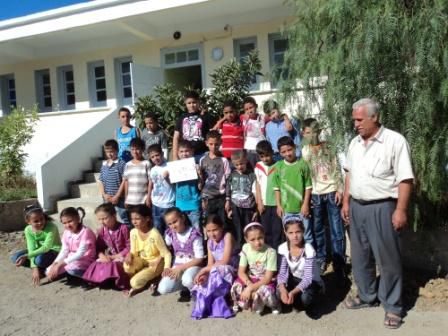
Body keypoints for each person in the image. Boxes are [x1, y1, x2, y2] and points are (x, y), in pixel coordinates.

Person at [341, 98, 414, 329]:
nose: (356, 124)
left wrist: (401, 209)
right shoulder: (354, 143)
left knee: (388, 259)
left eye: (360, 119)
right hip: (357, 206)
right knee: (361, 256)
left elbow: (405, 178)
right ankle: (366, 295)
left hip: (383, 206)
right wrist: (346, 202)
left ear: (374, 117)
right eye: (354, 120)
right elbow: (349, 175)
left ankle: (393, 306)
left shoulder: (394, 141)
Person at [301, 118, 346, 277]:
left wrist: (340, 189)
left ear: (318, 132)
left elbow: (337, 168)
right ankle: (321, 259)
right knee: (318, 228)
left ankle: (339, 262)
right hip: (315, 194)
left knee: (336, 229)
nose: (309, 135)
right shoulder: (305, 150)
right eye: (306, 133)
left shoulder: (328, 147)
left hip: (332, 191)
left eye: (312, 132)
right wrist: (306, 196)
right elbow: (305, 175)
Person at [191, 215, 239, 319]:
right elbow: (210, 264)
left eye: (215, 230)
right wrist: (204, 275)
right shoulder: (209, 242)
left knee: (217, 271)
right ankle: (206, 306)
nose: (212, 234)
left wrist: (203, 270)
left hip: (231, 268)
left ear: (222, 227)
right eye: (208, 231)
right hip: (216, 270)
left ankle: (218, 304)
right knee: (205, 278)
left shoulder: (227, 237)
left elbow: (225, 261)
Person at [230, 222, 280, 315]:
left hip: (264, 280)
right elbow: (241, 272)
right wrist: (249, 284)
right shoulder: (246, 248)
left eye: (260, 238)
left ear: (264, 236)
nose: (257, 242)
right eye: (252, 239)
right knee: (236, 287)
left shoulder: (270, 252)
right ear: (246, 240)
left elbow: (267, 278)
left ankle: (274, 304)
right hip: (251, 278)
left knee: (266, 292)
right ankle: (252, 300)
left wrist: (250, 289)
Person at [277, 216, 323, 314]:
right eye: (291, 233)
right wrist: (282, 288)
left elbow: (308, 278)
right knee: (278, 293)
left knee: (305, 299)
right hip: (295, 279)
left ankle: (313, 298)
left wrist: (293, 292)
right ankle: (296, 300)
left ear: (303, 231)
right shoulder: (283, 248)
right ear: (286, 233)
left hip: (311, 282)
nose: (295, 236)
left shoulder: (308, 250)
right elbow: (282, 273)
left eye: (298, 232)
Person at [123, 205, 172, 297]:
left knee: (134, 282)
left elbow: (166, 254)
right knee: (127, 265)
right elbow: (133, 251)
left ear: (147, 219)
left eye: (137, 218)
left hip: (155, 263)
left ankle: (153, 279)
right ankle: (144, 280)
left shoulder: (154, 234)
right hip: (143, 261)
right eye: (132, 219)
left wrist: (166, 268)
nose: (134, 221)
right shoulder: (133, 232)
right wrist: (129, 255)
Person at [157, 207, 204, 302]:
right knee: (163, 288)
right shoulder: (170, 234)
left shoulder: (194, 234)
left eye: (175, 221)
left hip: (193, 266)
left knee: (187, 279)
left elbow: (199, 258)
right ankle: (184, 287)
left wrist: (180, 268)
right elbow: (166, 249)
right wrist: (167, 267)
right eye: (169, 224)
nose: (173, 226)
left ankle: (199, 293)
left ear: (182, 218)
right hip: (177, 266)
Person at [273, 136, 313, 244]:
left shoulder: (303, 165)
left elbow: (308, 187)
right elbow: (276, 188)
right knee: (290, 236)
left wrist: (306, 204)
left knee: (306, 235)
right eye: (283, 152)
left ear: (295, 147)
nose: (287, 154)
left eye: (289, 150)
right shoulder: (278, 166)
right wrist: (278, 205)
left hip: (301, 209)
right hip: (286, 210)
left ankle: (309, 259)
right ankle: (293, 259)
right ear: (279, 153)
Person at [10, 204, 61, 286]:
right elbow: (31, 248)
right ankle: (41, 270)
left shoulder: (51, 227)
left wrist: (27, 256)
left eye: (42, 219)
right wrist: (34, 267)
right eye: (36, 221)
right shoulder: (28, 230)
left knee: (39, 260)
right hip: (38, 252)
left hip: (54, 251)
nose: (40, 222)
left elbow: (46, 248)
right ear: (28, 222)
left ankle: (47, 270)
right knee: (15, 258)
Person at [82, 203, 130, 289]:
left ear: (114, 215)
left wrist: (114, 256)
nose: (102, 222)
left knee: (112, 265)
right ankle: (101, 280)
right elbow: (99, 247)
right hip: (111, 256)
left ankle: (113, 280)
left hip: (123, 256)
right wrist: (102, 255)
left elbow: (129, 247)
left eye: (104, 218)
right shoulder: (102, 231)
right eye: (99, 219)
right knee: (96, 263)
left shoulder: (123, 228)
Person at [46, 207, 96, 280]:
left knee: (72, 270)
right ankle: (67, 274)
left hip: (85, 259)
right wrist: (55, 263)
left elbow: (80, 253)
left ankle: (90, 276)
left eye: (70, 221)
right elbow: (64, 250)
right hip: (71, 257)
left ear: (78, 218)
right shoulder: (67, 232)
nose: (68, 225)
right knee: (49, 270)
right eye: (64, 223)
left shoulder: (85, 232)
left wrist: (60, 264)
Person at [254, 140, 284, 250]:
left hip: (276, 204)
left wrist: (280, 204)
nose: (265, 159)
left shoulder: (279, 165)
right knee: (266, 231)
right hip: (264, 204)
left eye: (267, 155)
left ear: (272, 152)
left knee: (277, 231)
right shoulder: (258, 166)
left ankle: (277, 256)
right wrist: (259, 203)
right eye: (262, 156)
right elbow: (257, 185)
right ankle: (268, 254)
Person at [225, 150, 257, 246]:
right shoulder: (232, 175)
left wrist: (255, 208)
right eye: (237, 165)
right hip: (235, 205)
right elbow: (228, 189)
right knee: (237, 226)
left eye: (241, 164)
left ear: (246, 161)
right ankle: (239, 245)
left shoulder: (251, 175)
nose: (240, 166)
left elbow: (255, 192)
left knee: (248, 226)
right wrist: (228, 202)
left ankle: (249, 245)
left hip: (248, 206)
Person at [199, 130, 231, 225]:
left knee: (222, 224)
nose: (213, 147)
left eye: (216, 144)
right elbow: (201, 182)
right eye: (211, 144)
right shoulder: (202, 160)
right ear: (206, 143)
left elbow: (228, 180)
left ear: (220, 143)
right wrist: (202, 199)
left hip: (220, 198)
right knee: (209, 224)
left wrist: (228, 199)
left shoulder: (224, 160)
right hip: (207, 199)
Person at [172, 90, 212, 161]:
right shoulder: (181, 118)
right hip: (185, 156)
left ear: (198, 102)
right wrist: (175, 155)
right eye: (189, 103)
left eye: (194, 102)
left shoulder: (206, 117)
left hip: (202, 154)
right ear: (185, 104)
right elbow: (176, 137)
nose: (192, 105)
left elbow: (211, 135)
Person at [98, 139, 129, 228]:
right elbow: (101, 181)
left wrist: (117, 196)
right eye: (107, 152)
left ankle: (128, 237)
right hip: (107, 198)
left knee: (124, 217)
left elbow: (124, 181)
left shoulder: (122, 163)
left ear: (117, 150)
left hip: (119, 198)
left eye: (112, 151)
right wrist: (104, 194)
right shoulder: (104, 164)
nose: (110, 154)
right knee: (107, 218)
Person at [172, 140, 202, 229]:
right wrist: (167, 175)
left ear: (192, 151)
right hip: (180, 204)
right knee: (182, 229)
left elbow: (200, 186)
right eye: (181, 151)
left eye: (187, 151)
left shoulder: (196, 166)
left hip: (194, 204)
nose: (184, 154)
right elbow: (172, 184)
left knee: (196, 229)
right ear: (177, 153)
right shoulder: (174, 167)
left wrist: (199, 175)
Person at [147, 143, 175, 232]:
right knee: (157, 227)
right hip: (156, 203)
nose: (155, 158)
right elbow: (151, 183)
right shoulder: (153, 169)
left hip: (168, 203)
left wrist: (167, 178)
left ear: (162, 154)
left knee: (169, 228)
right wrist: (148, 197)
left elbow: (173, 184)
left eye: (157, 155)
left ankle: (170, 245)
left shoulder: (170, 166)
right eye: (152, 157)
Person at [123, 138, 151, 209]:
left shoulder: (147, 163)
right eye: (132, 149)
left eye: (137, 149)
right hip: (130, 201)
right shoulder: (127, 165)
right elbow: (126, 182)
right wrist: (126, 198)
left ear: (143, 149)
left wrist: (148, 197)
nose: (135, 152)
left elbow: (150, 182)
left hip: (143, 201)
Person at [241, 96, 266, 168]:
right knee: (251, 171)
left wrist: (285, 116)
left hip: (261, 150)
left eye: (251, 107)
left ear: (256, 106)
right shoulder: (243, 119)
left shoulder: (263, 118)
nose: (249, 111)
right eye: (247, 109)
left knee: (262, 170)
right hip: (249, 151)